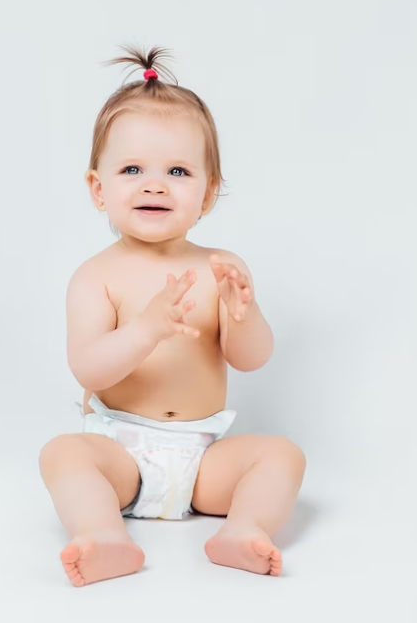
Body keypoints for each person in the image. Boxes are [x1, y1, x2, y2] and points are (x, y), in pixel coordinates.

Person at [38, 44, 307, 587]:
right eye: (132, 168)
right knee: (63, 454)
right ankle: (104, 534)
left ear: (207, 194)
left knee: (283, 455)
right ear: (98, 189)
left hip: (204, 459)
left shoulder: (220, 268)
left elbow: (252, 359)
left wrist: (242, 315)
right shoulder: (96, 277)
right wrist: (146, 329)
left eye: (178, 170)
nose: (154, 184)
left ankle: (244, 529)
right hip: (122, 456)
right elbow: (89, 369)